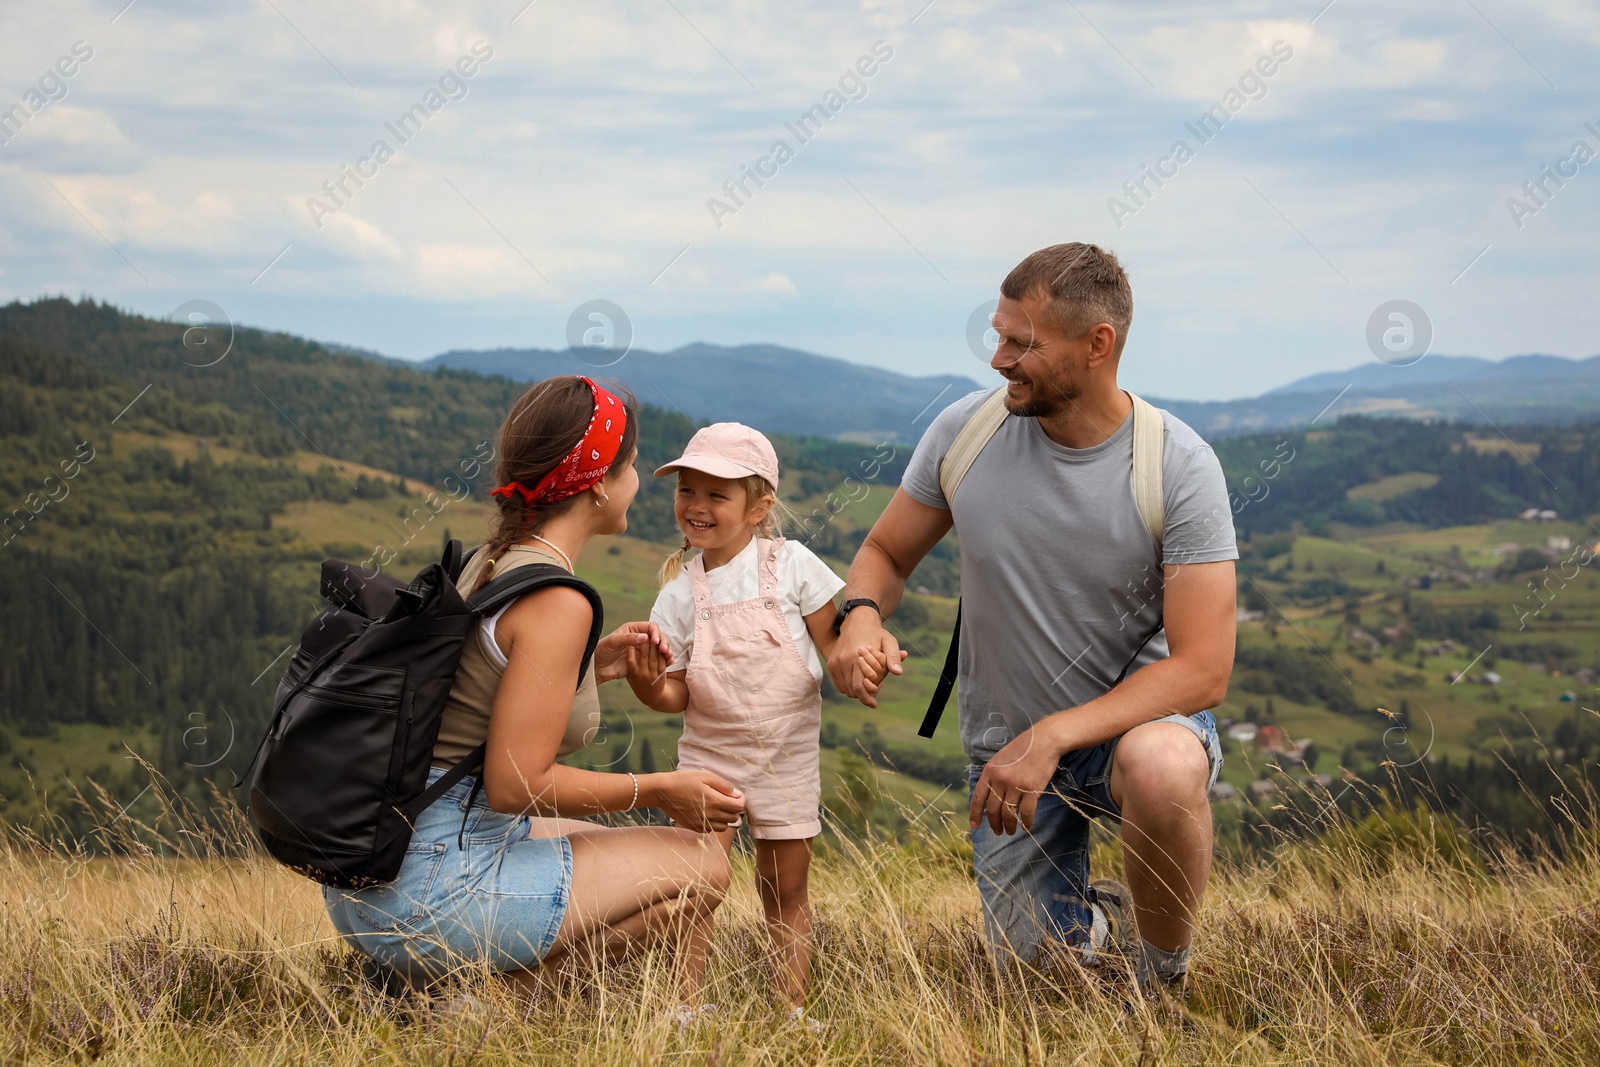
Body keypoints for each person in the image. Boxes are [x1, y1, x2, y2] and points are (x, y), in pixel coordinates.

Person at [828, 243, 1237, 995]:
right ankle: (1095, 922)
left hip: (1126, 732)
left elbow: (1204, 669)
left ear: (1097, 345)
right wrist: (858, 616)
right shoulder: (965, 431)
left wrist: (1055, 733)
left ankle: (1164, 977)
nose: (998, 359)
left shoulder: (1177, 464)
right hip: (1005, 750)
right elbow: (884, 552)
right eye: (998, 333)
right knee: (1038, 986)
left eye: (1022, 342)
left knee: (1164, 767)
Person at [323, 375, 745, 1007]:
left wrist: (586, 668)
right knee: (702, 868)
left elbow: (475, 694)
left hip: (373, 876)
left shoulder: (490, 559)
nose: (636, 482)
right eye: (630, 465)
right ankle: (479, 1007)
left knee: (641, 861)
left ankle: (420, 983)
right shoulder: (555, 600)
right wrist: (655, 789)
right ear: (600, 481)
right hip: (436, 887)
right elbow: (515, 786)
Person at [625, 423, 894, 1023]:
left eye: (716, 495)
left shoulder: (791, 564)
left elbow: (836, 645)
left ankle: (789, 1007)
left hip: (786, 760)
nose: (696, 506)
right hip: (707, 760)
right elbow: (675, 694)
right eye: (686, 491)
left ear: (759, 507)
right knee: (694, 886)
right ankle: (684, 1006)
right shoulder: (677, 595)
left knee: (785, 888)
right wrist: (647, 681)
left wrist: (862, 668)